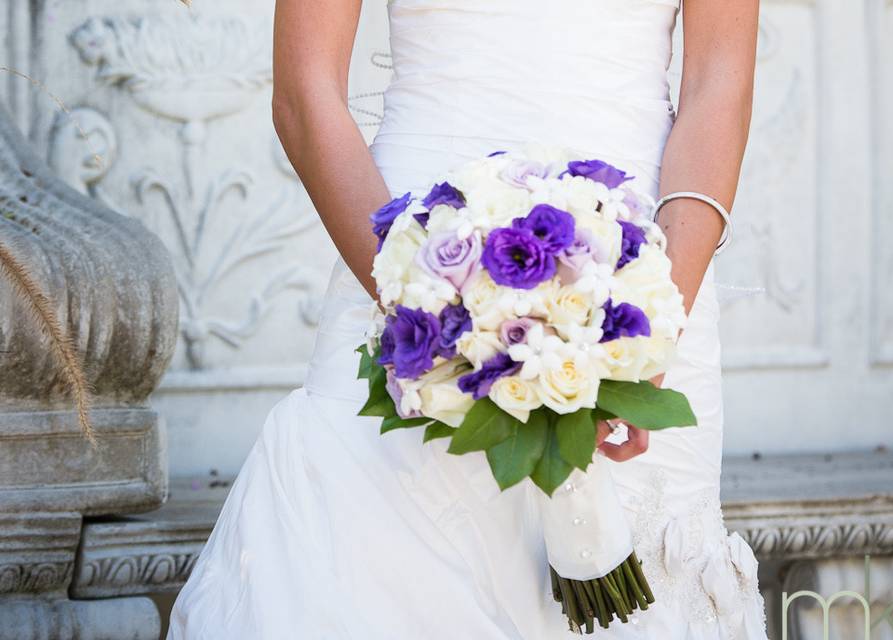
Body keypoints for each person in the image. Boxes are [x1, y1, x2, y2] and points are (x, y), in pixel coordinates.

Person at [168, 0, 767, 637]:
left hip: (648, 272)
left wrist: (648, 327)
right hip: (405, 273)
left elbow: (719, 81)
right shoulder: (414, 297)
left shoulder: (650, 312)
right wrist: (431, 308)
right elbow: (304, 92)